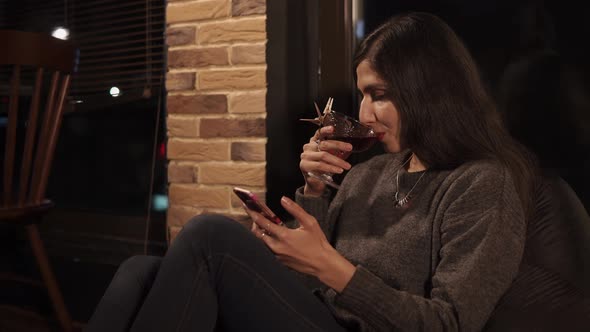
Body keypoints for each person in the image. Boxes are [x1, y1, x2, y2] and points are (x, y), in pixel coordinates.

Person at [86, 12, 537, 332]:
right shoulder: (368, 173)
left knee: (208, 237)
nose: (364, 113)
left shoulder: (480, 183)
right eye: (361, 95)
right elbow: (304, 284)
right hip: (315, 314)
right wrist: (315, 189)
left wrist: (330, 266)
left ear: (430, 92)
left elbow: (450, 324)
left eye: (377, 94)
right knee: (139, 269)